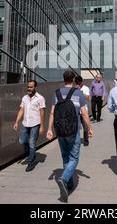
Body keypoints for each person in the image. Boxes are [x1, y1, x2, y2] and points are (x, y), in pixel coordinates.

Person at [47, 71, 93, 203]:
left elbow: (51, 113)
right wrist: (89, 128)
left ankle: (69, 183)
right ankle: (63, 179)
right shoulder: (78, 93)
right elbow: (84, 114)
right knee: (74, 158)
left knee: (66, 157)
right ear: (73, 79)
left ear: (63, 79)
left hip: (60, 132)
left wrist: (50, 129)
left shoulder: (56, 94)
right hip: (74, 131)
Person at [13, 80, 46, 172]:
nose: (29, 89)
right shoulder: (24, 98)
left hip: (35, 124)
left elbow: (42, 113)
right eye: (28, 87)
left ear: (35, 87)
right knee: (22, 140)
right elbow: (21, 110)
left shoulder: (40, 98)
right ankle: (32, 153)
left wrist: (42, 126)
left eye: (31, 87)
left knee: (32, 142)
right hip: (25, 123)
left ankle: (31, 161)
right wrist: (16, 122)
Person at [75, 75, 91, 146]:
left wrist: (80, 92)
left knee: (85, 127)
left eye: (79, 83)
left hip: (84, 111)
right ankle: (76, 141)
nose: (78, 84)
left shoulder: (86, 88)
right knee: (76, 128)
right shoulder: (74, 88)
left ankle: (86, 140)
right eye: (76, 83)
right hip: (76, 111)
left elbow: (87, 98)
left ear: (82, 82)